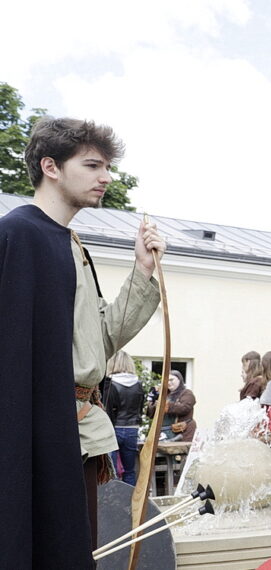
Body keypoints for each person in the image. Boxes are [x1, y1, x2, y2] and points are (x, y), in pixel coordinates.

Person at [0, 117, 164, 566]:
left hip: (79, 438)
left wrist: (143, 271)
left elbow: (98, 342)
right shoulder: (18, 235)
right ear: (50, 166)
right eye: (93, 165)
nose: (106, 177)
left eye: (107, 167)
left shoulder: (69, 243)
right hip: (41, 438)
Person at [104, 350, 145, 485]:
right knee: (130, 471)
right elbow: (140, 409)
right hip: (132, 430)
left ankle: (113, 503)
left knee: (113, 471)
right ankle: (129, 503)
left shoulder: (110, 383)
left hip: (113, 429)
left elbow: (108, 410)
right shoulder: (138, 384)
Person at [146, 370, 197, 442]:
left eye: (171, 380)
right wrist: (152, 401)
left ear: (179, 379)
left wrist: (164, 405)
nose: (169, 382)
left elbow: (184, 408)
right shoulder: (164, 395)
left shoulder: (187, 393)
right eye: (167, 380)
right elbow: (151, 415)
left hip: (183, 433)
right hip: (164, 433)